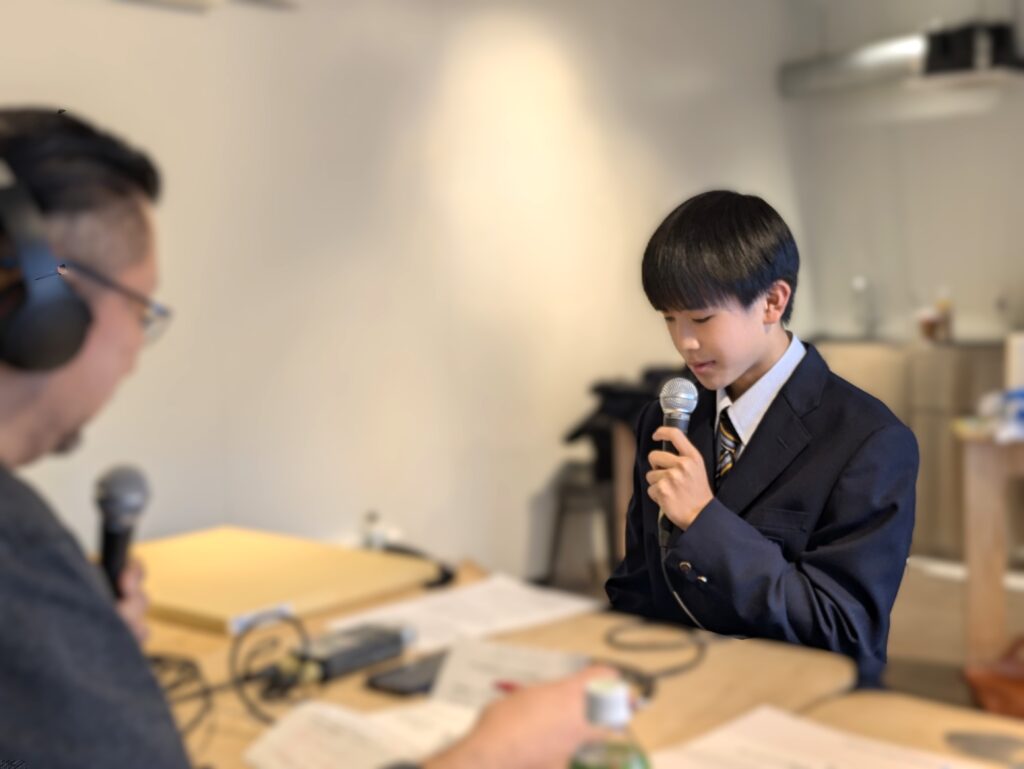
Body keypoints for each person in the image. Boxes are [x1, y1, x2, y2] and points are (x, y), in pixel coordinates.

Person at [0, 107, 610, 768]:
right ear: (49, 311)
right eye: (140, 310)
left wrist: (82, 651)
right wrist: (496, 753)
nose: (134, 356)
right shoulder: (18, 552)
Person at [605, 190, 918, 687]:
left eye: (701, 318)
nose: (685, 342)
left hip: (796, 700)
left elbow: (843, 631)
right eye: (669, 318)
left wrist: (704, 519)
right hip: (676, 687)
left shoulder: (869, 441)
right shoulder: (668, 420)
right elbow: (638, 586)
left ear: (773, 301)